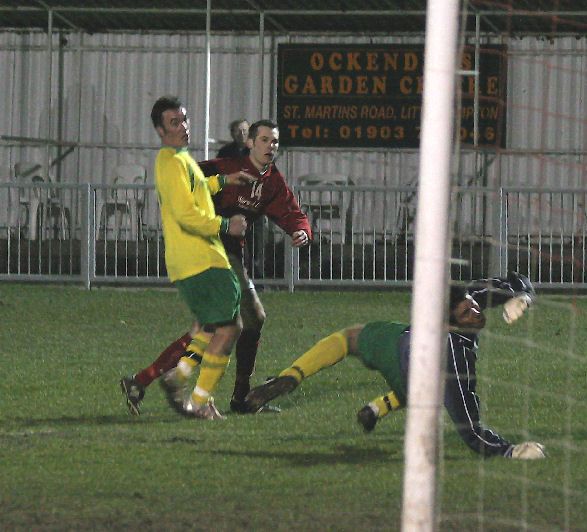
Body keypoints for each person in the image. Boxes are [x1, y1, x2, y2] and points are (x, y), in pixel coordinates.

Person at [243, 272, 546, 460]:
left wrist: (522, 298)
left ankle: (293, 376)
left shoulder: (466, 298)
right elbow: (470, 429)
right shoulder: (455, 355)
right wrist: (508, 450)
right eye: (468, 312)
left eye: (474, 305)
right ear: (450, 324)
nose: (477, 311)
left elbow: (518, 280)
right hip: (415, 365)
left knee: (348, 338)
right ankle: (379, 405)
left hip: (397, 338)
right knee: (429, 393)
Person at [120, 119, 312, 416]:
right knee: (239, 321)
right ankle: (217, 397)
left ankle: (144, 381)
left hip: (227, 256)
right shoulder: (224, 166)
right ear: (250, 143)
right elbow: (187, 179)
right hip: (210, 253)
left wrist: (301, 230)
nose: (269, 146)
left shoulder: (272, 181)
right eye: (263, 140)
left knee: (210, 327)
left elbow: (290, 211)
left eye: (274, 141)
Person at [126, 95, 255, 420]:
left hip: (193, 260)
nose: (183, 126)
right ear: (159, 130)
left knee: (207, 328)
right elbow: (186, 213)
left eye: (184, 119)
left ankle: (165, 379)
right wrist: (228, 224)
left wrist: (224, 180)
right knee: (230, 327)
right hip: (201, 258)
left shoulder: (180, 159)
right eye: (174, 122)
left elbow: (194, 189)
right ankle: (193, 394)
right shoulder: (170, 162)